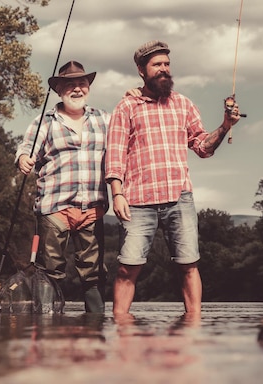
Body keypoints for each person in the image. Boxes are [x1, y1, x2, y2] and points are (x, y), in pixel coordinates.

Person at [105, 40, 242, 315]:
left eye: (167, 64)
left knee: (188, 265)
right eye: (157, 65)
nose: (164, 69)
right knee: (126, 267)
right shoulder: (127, 106)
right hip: (137, 200)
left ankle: (193, 325)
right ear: (142, 70)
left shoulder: (184, 104)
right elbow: (115, 154)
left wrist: (225, 126)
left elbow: (202, 147)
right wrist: (116, 194)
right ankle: (121, 327)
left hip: (179, 198)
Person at [15, 60, 109, 313]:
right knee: (50, 270)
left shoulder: (104, 119)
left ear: (88, 87)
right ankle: (45, 325)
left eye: (82, 83)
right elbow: (26, 149)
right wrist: (24, 159)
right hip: (53, 208)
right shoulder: (44, 121)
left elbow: (125, 143)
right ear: (59, 91)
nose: (77, 89)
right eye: (70, 85)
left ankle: (96, 327)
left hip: (92, 209)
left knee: (94, 272)